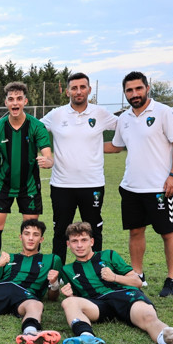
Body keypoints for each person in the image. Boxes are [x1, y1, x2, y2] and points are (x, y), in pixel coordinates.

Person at [105, 71, 173, 297]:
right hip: (131, 187)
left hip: (160, 188)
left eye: (138, 88)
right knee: (135, 232)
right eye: (129, 90)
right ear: (125, 93)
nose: (134, 94)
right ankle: (137, 275)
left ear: (147, 88)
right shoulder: (124, 118)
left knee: (168, 233)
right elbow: (116, 146)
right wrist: (85, 144)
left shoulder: (163, 112)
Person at [58, 222, 173, 344]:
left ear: (92, 242)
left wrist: (114, 277)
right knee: (68, 302)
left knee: (148, 317)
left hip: (124, 296)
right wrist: (70, 295)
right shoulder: (67, 270)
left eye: (84, 240)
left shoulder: (108, 255)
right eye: (74, 241)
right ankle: (87, 337)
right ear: (68, 244)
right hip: (98, 304)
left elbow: (137, 282)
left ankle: (171, 341)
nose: (79, 245)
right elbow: (77, 300)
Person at [40, 73, 118, 264]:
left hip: (92, 184)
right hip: (62, 185)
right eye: (74, 88)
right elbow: (35, 130)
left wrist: (111, 146)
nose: (78, 91)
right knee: (60, 231)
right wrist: (47, 155)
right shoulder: (56, 114)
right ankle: (57, 273)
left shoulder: (100, 113)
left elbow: (125, 127)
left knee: (93, 231)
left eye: (82, 87)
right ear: (67, 92)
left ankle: (94, 271)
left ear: (89, 90)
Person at [0, 81, 53, 267]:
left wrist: (48, 162)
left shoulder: (36, 126)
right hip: (3, 184)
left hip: (29, 184)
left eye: (19, 99)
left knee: (32, 229)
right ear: (6, 103)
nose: (15, 103)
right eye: (11, 99)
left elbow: (48, 156)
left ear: (25, 101)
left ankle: (32, 267)